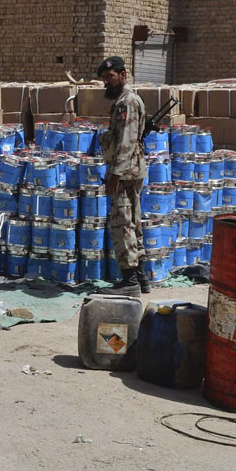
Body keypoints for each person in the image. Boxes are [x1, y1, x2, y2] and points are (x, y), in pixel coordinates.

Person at [97, 56, 148, 296]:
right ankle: (141, 277)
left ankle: (129, 282)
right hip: (131, 169)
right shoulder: (124, 100)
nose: (107, 81)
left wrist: (114, 175)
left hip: (125, 171)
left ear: (123, 74)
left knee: (122, 223)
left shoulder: (126, 102)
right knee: (133, 223)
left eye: (111, 76)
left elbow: (127, 140)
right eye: (104, 78)